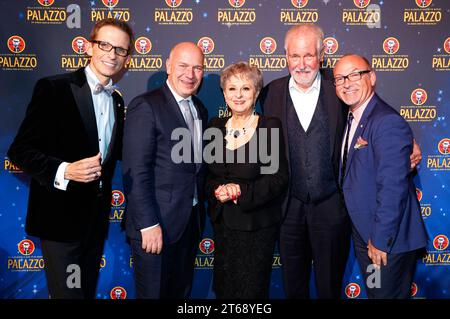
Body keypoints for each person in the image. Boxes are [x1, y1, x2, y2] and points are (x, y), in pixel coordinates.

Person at [260, 23, 422, 299]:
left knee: (330, 286)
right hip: (288, 209)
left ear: (321, 55)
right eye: (295, 56)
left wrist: (410, 144)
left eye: (309, 55)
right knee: (292, 285)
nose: (301, 64)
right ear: (284, 56)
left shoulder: (339, 88)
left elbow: (375, 120)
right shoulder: (270, 93)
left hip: (332, 207)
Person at [7, 18, 133, 299]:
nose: (112, 54)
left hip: (96, 222)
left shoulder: (117, 101)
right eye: (105, 45)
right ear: (89, 47)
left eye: (121, 50)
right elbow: (19, 151)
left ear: (127, 59)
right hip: (60, 221)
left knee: (84, 294)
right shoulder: (54, 89)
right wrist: (65, 170)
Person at [333, 54, 428, 298]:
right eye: (340, 78)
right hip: (368, 238)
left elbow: (392, 187)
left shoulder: (386, 121)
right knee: (376, 293)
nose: (347, 83)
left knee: (385, 295)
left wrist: (379, 240)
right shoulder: (355, 117)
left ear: (372, 77)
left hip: (386, 243)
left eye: (355, 74)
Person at [122, 42, 208, 298]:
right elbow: (136, 170)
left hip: (189, 224)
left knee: (181, 293)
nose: (190, 74)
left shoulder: (199, 109)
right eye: (182, 66)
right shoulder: (146, 105)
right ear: (168, 66)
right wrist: (148, 224)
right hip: (155, 226)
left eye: (197, 68)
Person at [205, 62, 289, 299]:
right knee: (224, 290)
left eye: (246, 88)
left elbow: (278, 178)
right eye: (232, 89)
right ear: (224, 93)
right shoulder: (215, 126)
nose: (238, 95)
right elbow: (209, 177)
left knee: (250, 293)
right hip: (223, 226)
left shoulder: (268, 126)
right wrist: (218, 190)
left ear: (256, 92)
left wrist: (239, 191)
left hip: (256, 227)